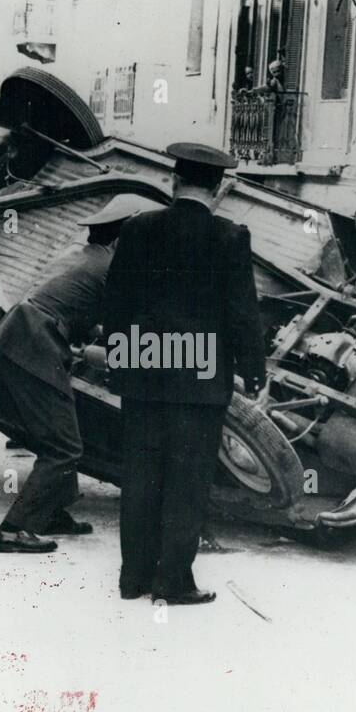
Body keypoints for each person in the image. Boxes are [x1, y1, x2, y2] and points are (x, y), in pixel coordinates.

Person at [102, 145, 265, 605]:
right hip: (199, 380)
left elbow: (115, 301)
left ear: (175, 181)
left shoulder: (137, 228)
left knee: (140, 477)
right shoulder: (230, 235)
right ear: (217, 189)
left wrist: (121, 360)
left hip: (144, 374)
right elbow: (242, 313)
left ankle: (133, 578)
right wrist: (254, 372)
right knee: (187, 481)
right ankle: (173, 581)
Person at [0, 194, 144, 553]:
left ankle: (51, 511)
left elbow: (80, 314)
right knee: (64, 446)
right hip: (35, 344)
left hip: (25, 339)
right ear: (121, 238)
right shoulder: (112, 268)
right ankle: (13, 529)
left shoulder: (84, 257)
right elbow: (118, 328)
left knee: (64, 433)